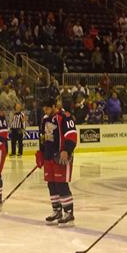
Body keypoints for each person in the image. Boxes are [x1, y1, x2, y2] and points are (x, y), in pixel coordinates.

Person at [36, 93, 78, 226]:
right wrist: (41, 153)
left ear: (54, 106)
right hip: (49, 156)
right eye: (44, 108)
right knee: (51, 184)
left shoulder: (64, 117)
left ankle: (69, 213)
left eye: (47, 108)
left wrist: (66, 150)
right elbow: (42, 137)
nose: (45, 111)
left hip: (61, 156)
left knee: (61, 184)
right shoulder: (44, 119)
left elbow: (72, 135)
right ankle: (57, 210)